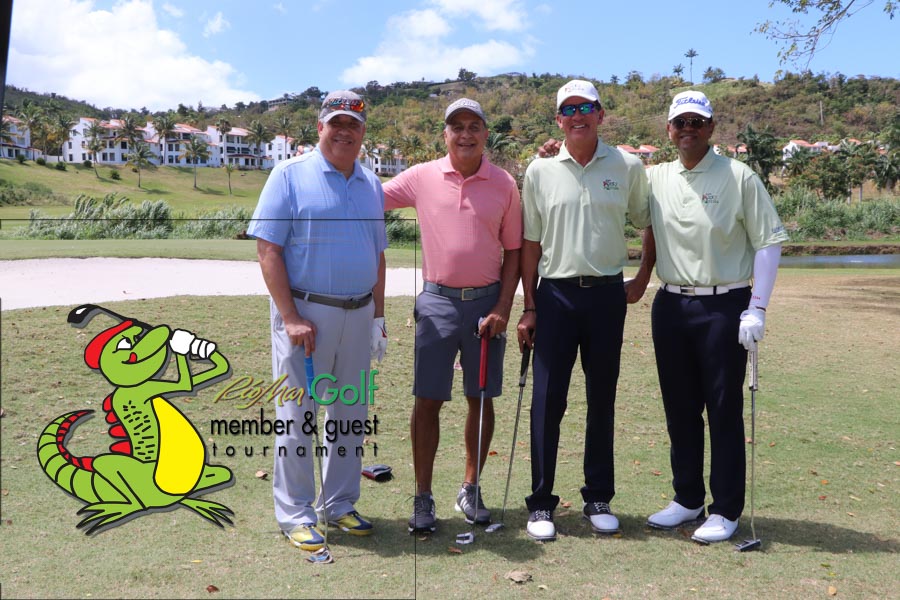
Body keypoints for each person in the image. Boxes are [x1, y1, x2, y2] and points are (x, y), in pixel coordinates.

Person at [635, 90, 789, 543]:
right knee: (679, 407)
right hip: (671, 304)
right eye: (680, 123)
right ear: (669, 130)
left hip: (724, 304)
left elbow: (768, 242)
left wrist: (757, 307)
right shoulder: (655, 177)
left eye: (696, 122)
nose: (688, 130)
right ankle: (687, 498)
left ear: (711, 128)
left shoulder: (739, 177)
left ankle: (725, 508)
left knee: (723, 408)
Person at [247, 90, 388, 552]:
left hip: (359, 313)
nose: (345, 131)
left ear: (363, 132)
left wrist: (378, 317)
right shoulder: (289, 175)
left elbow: (377, 254)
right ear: (321, 127)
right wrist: (290, 317)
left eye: (354, 124)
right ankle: (295, 513)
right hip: (306, 316)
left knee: (350, 415)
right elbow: (268, 250)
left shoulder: (370, 182)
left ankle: (339, 504)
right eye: (337, 123)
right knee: (297, 417)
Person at [516, 80, 651, 541]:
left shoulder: (627, 165)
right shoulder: (540, 170)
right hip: (555, 296)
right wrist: (529, 305)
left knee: (602, 397)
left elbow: (647, 221)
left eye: (586, 108)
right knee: (547, 401)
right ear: (559, 119)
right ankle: (540, 502)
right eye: (568, 110)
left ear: (600, 114)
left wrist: (643, 275)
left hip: (607, 296)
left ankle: (598, 497)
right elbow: (530, 243)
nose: (578, 116)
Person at [383, 98, 522, 534]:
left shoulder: (503, 183)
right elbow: (369, 196)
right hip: (437, 302)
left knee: (481, 397)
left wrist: (503, 307)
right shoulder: (422, 176)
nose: (465, 134)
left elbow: (514, 252)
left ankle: (470, 487)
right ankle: (423, 496)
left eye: (473, 126)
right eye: (456, 127)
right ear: (445, 135)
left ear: (485, 134)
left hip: (486, 305)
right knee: (427, 399)